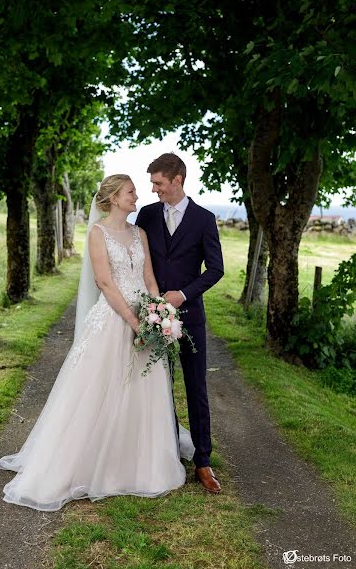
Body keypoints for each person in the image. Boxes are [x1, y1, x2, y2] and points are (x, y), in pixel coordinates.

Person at [0, 174, 193, 512]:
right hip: (113, 320)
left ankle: (140, 464)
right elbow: (105, 282)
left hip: (144, 317)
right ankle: (88, 463)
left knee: (143, 390)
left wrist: (157, 313)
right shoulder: (97, 233)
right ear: (115, 197)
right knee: (100, 389)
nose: (137, 197)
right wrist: (133, 322)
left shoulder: (140, 233)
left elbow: (148, 279)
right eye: (131, 192)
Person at [136, 153, 224, 494]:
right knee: (159, 385)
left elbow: (216, 269)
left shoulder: (204, 219)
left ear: (178, 180)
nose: (154, 189)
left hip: (190, 315)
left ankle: (203, 460)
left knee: (195, 387)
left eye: (158, 183)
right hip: (152, 314)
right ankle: (169, 450)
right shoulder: (146, 215)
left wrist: (184, 295)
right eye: (152, 183)